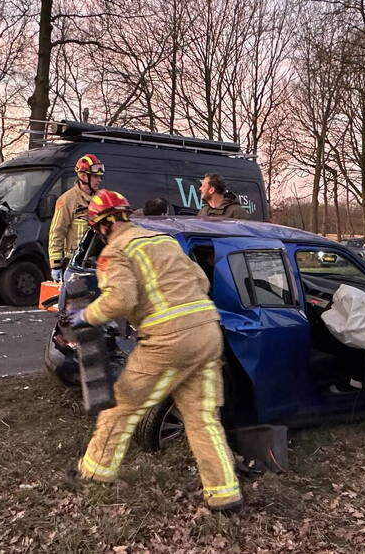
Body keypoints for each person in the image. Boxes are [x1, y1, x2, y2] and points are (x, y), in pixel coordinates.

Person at [69, 189, 242, 512]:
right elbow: (201, 282)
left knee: (122, 404)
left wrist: (86, 316)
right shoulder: (163, 240)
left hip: (167, 341)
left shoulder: (115, 253)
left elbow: (121, 300)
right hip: (207, 334)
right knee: (203, 417)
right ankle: (224, 494)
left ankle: (94, 472)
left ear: (102, 226)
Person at [48, 154, 104, 281]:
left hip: (97, 262)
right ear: (84, 176)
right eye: (96, 176)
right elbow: (57, 233)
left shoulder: (101, 198)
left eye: (100, 177)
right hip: (75, 263)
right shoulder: (67, 200)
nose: (99, 180)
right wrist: (56, 265)